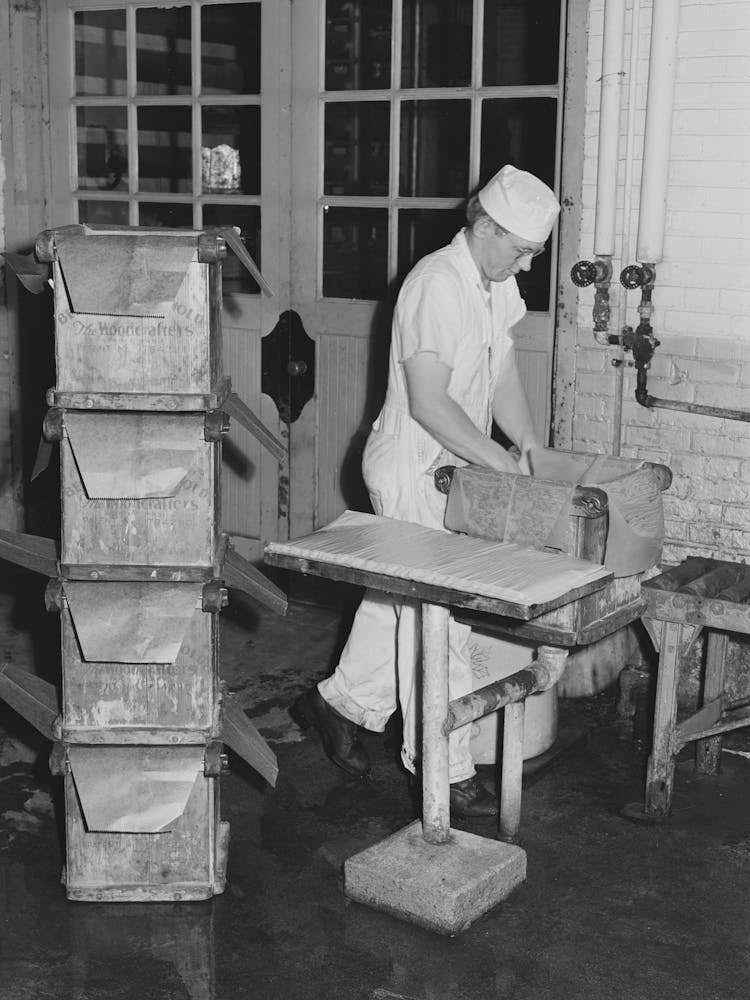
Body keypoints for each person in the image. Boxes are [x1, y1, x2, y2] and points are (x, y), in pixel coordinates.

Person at [295, 165, 561, 817]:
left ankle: (339, 704)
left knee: (398, 599)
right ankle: (447, 767)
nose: (527, 265)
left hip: (454, 464)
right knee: (438, 618)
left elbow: (501, 373)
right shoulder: (435, 285)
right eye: (522, 250)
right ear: (486, 227)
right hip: (413, 465)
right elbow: (430, 404)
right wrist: (498, 460)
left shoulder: (494, 284)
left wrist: (530, 448)